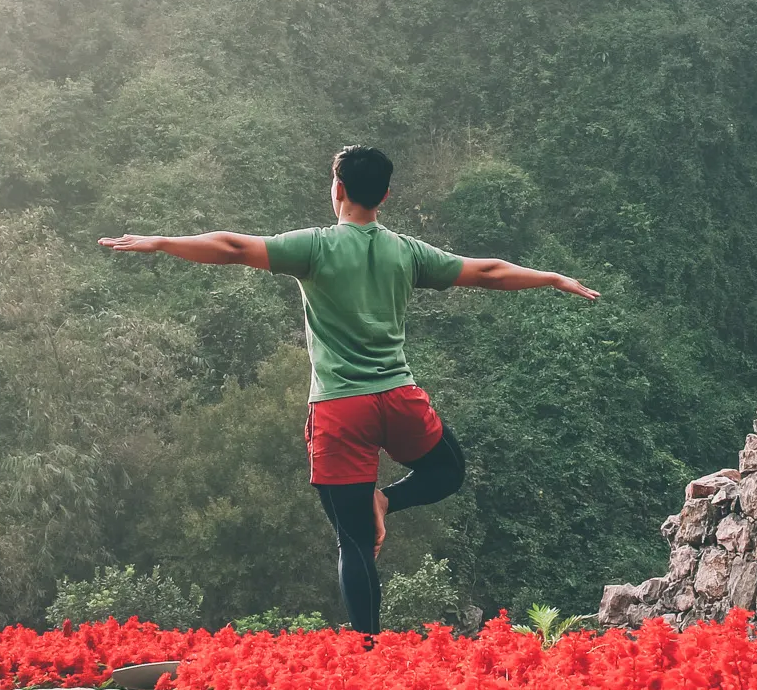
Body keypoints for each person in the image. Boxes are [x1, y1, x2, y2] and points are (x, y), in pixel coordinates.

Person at [99, 145, 598, 634]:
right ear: (385, 195)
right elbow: (487, 271)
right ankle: (388, 500)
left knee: (354, 543)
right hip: (398, 398)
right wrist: (551, 277)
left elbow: (232, 247)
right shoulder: (406, 251)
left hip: (340, 408)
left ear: (338, 188)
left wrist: (161, 241)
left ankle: (367, 651)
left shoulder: (315, 247)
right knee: (447, 470)